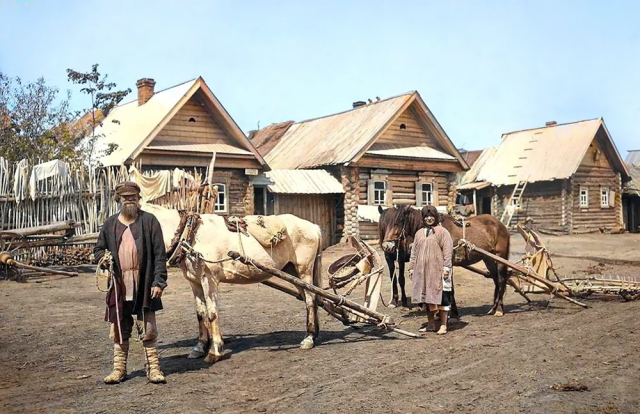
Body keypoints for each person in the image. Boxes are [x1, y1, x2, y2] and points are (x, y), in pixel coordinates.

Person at [94, 181, 168, 384]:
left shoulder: (150, 221)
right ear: (118, 199)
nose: (130, 200)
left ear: (138, 199)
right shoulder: (110, 224)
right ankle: (119, 370)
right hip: (119, 284)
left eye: (133, 197)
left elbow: (160, 254)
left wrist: (158, 281)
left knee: (148, 328)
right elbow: (98, 250)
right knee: (119, 327)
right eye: (126, 197)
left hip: (144, 283)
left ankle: (153, 369)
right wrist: (104, 258)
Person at [408, 205, 454, 335]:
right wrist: (411, 268)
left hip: (437, 270)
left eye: (431, 216)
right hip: (422, 271)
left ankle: (444, 325)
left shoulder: (442, 232)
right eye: (426, 216)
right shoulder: (419, 233)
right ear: (423, 218)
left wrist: (446, 267)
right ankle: (431, 323)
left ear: (436, 217)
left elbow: (447, 251)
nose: (429, 219)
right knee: (427, 298)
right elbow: (414, 252)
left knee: (442, 297)